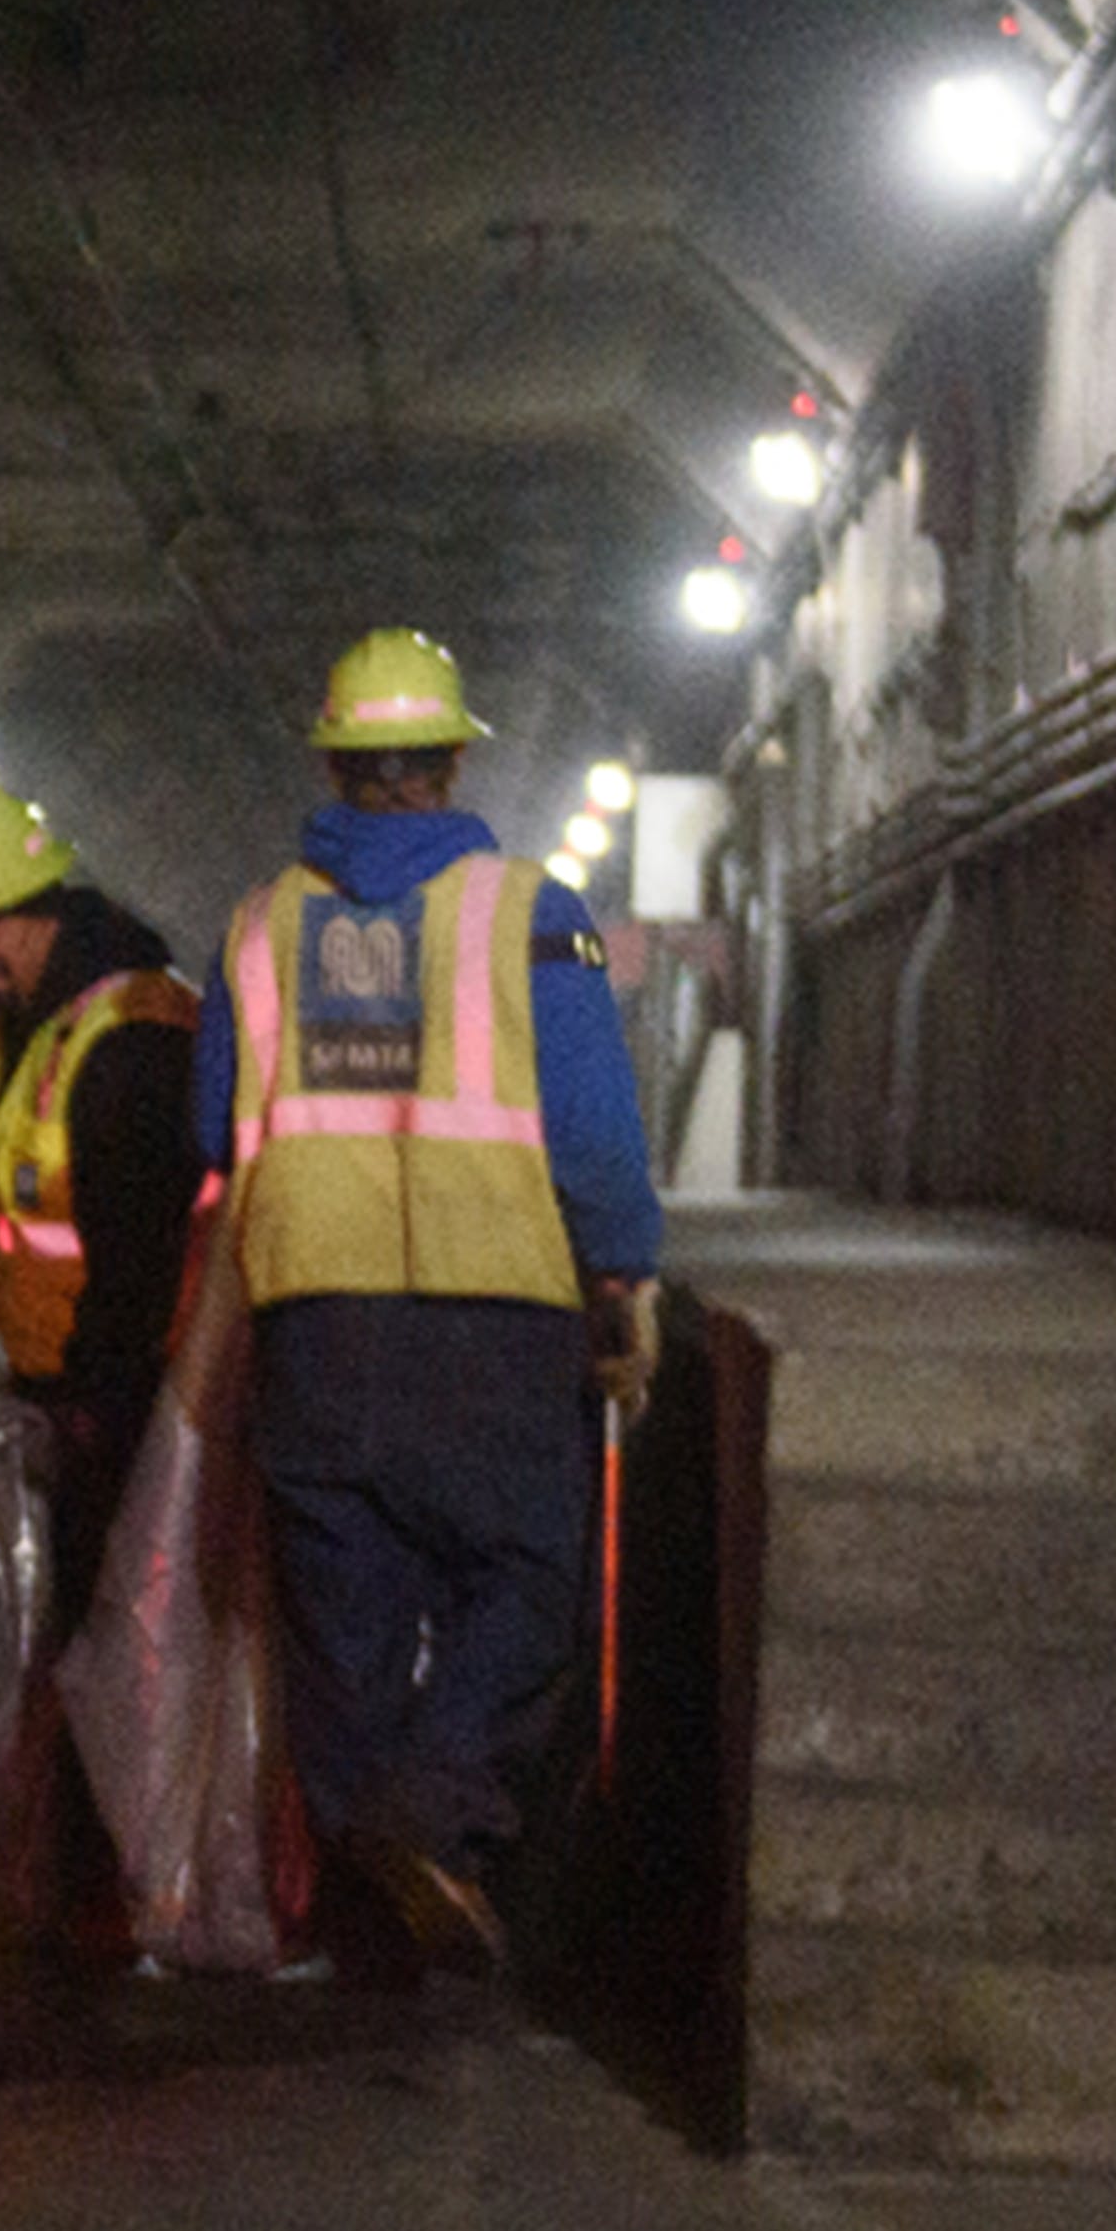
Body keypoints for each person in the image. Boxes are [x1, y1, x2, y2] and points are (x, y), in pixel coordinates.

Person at [191, 626, 664, 1974]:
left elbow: (211, 1133)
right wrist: (617, 1267)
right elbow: (587, 1135)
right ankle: (431, 1813)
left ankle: (370, 1928)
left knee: (341, 1625)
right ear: (455, 759)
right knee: (523, 1579)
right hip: (494, 1316)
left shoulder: (259, 926)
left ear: (336, 762)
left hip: (316, 1326)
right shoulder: (529, 913)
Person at [0, 785, 203, 1626]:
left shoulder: (134, 1035)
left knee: (111, 1635)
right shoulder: (37, 1009)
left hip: (141, 1399)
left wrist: (93, 1408)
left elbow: (140, 1244)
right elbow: (40, 1101)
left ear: (48, 906)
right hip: (63, 1384)